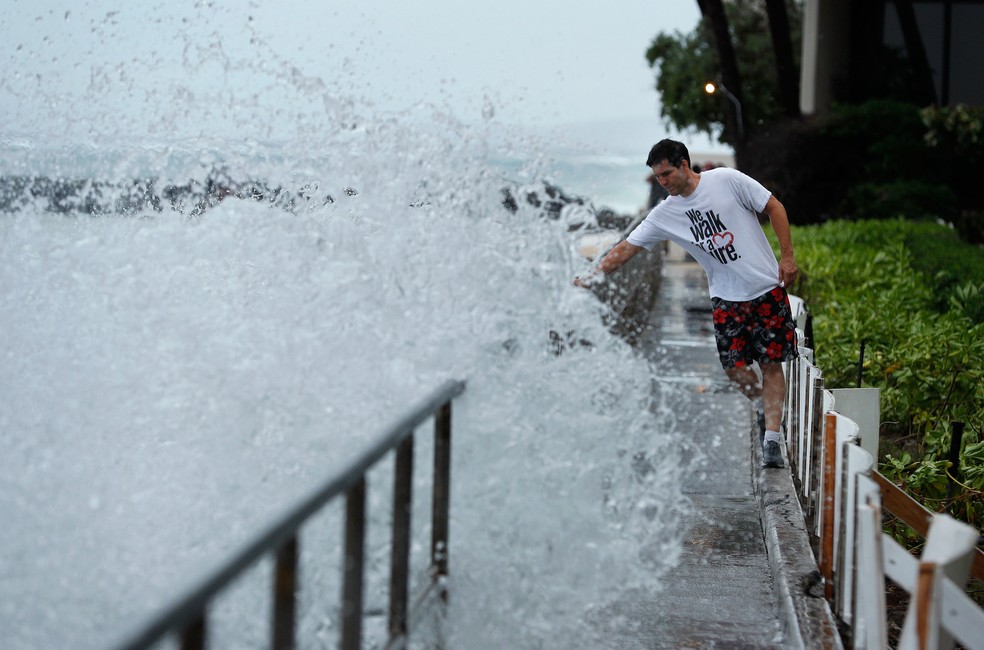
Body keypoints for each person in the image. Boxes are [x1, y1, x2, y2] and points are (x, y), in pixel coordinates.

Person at [574, 139, 799, 468]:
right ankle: (762, 404)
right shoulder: (665, 213)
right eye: (657, 177)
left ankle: (772, 441)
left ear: (683, 165)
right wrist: (591, 275)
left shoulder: (727, 180)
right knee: (734, 369)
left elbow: (774, 206)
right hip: (726, 297)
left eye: (666, 174)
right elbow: (626, 248)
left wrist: (788, 257)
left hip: (766, 287)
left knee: (770, 364)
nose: (663, 182)